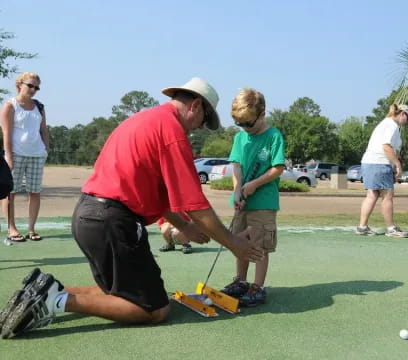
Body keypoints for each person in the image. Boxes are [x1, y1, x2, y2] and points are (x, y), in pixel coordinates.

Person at [0, 77, 264, 339]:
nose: (198, 128)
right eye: (203, 121)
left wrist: (185, 226)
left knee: (120, 294)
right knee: (155, 309)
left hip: (90, 216)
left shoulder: (146, 120)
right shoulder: (172, 133)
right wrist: (233, 244)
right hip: (111, 221)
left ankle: (48, 289)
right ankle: (55, 302)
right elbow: (197, 205)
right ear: (195, 106)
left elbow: (158, 195)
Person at [220, 88, 285, 307]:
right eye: (240, 124)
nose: (245, 128)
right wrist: (238, 189)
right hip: (242, 201)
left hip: (263, 202)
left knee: (259, 244)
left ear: (262, 113)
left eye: (248, 123)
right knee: (239, 240)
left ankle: (257, 287)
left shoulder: (273, 136)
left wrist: (254, 185)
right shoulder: (240, 137)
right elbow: (236, 167)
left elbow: (277, 169)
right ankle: (241, 281)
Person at [0, 72, 49, 242]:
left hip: (37, 154)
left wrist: (46, 149)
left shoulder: (39, 107)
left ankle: (31, 229)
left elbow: (44, 130)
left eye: (36, 87)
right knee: (10, 193)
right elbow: (6, 133)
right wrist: (8, 157)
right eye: (30, 85)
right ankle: (12, 228)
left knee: (34, 192)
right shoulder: (10, 106)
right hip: (16, 154)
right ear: (20, 84)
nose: (33, 89)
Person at [356, 104, 408, 237]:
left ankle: (362, 227)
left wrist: (394, 165)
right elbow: (386, 147)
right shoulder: (391, 125)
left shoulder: (386, 124)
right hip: (380, 163)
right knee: (387, 196)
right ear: (403, 114)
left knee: (372, 195)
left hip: (370, 162)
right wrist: (398, 165)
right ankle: (391, 229)